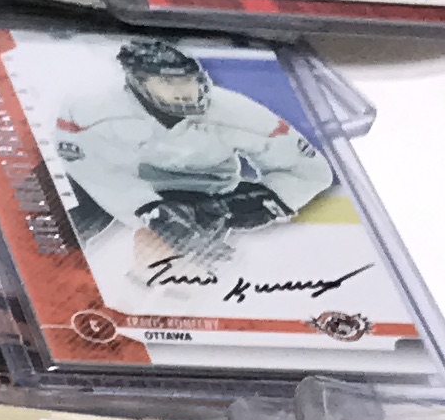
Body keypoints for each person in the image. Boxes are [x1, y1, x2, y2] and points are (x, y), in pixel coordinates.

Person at [47, 37, 333, 267]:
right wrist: (145, 207)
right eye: (167, 83)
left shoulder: (236, 113)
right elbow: (83, 167)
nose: (184, 92)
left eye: (188, 81)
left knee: (174, 265)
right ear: (138, 83)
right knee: (56, 226)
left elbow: (310, 171)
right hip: (120, 182)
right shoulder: (89, 112)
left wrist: (269, 199)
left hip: (199, 190)